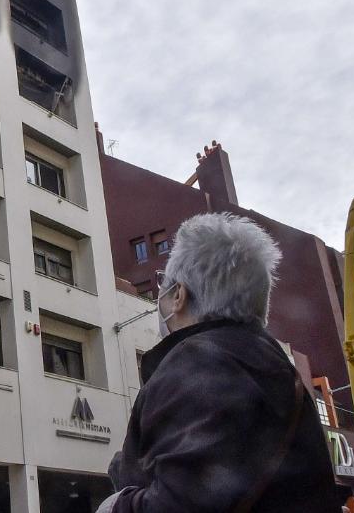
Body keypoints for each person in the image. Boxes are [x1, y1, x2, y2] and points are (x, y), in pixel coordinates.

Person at [98, 213, 339, 513]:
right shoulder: (278, 370)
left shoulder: (199, 364)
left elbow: (185, 502)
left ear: (179, 296)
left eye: (163, 284)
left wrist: (117, 505)